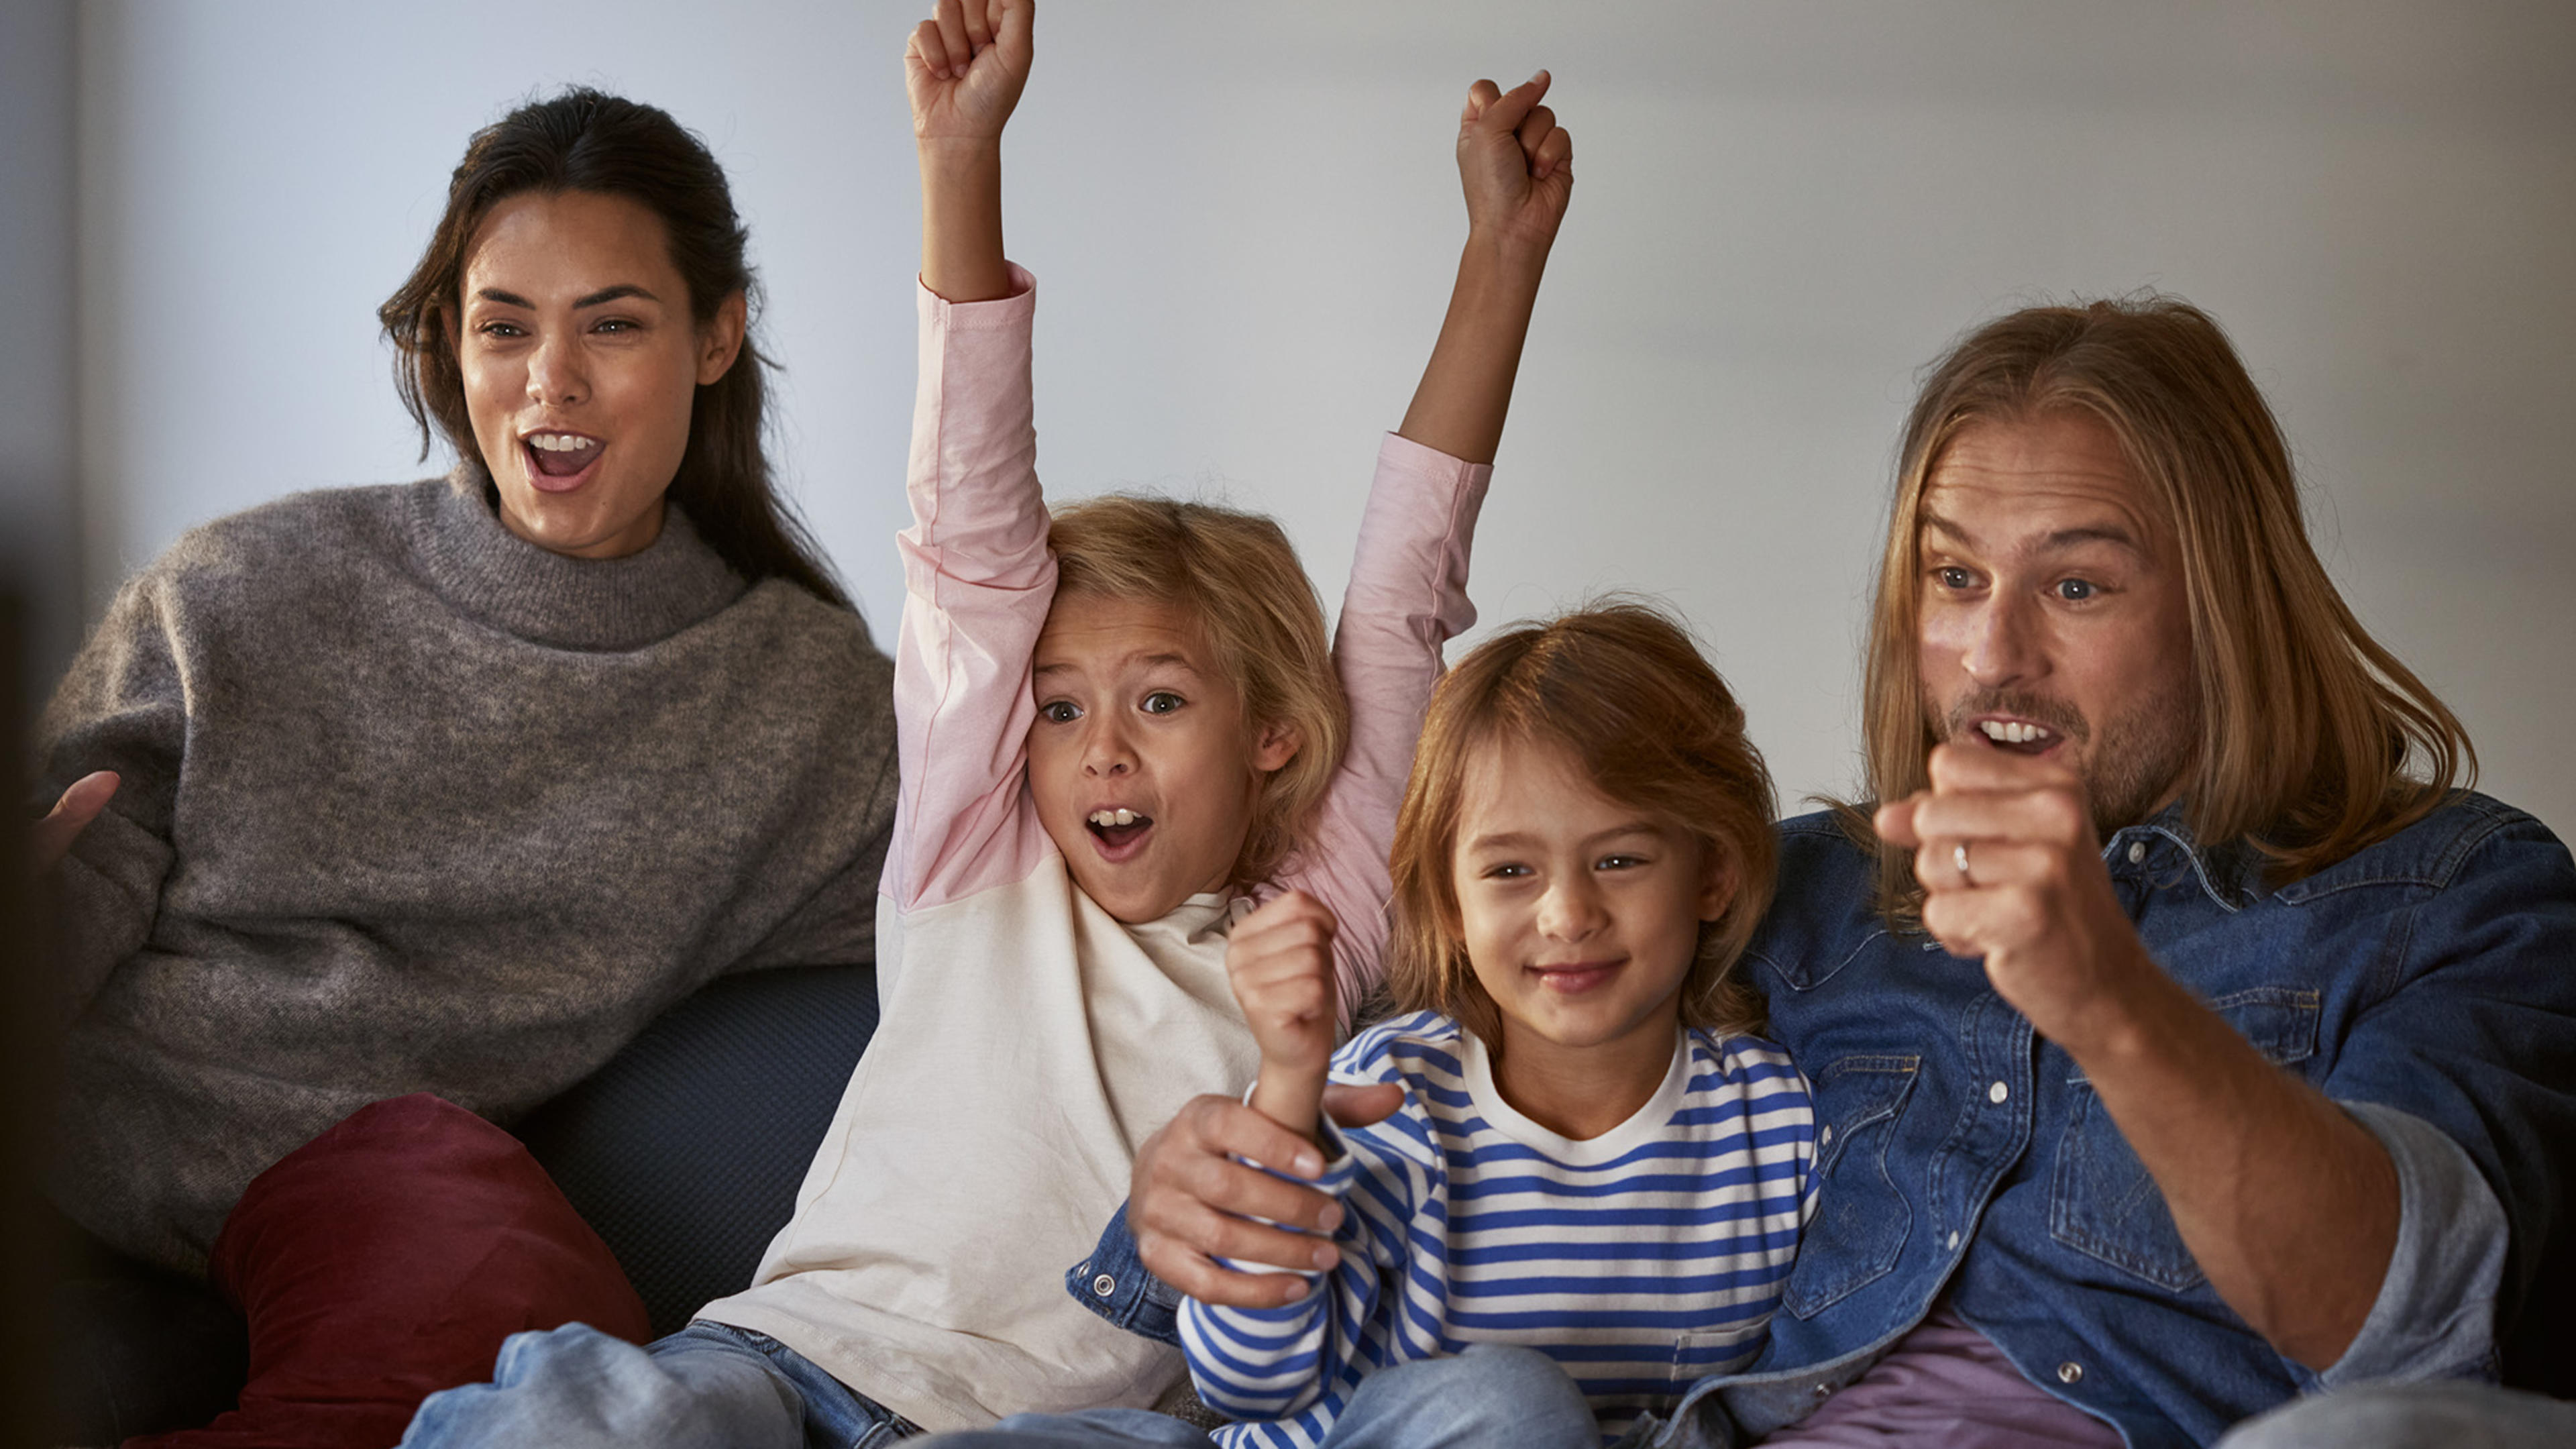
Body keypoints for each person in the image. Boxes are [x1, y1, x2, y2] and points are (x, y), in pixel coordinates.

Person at [396, 0, 1574, 1442]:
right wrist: (962, 160)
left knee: (1503, 1409)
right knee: (591, 1416)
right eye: (1062, 706)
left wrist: (1501, 255)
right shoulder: (979, 850)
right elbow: (971, 536)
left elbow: (1399, 604)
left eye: (1159, 700)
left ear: (1273, 731)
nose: (1102, 750)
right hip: (788, 1377)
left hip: (1062, 1428)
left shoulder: (1311, 929)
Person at [1118, 297, 2576, 1447]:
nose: (1995, 656)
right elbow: (1457, 1024)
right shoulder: (1801, 894)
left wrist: (2109, 997)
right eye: (1953, 579)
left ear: (2227, 605)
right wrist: (1213, 1171)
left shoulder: (2457, 897)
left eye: (2076, 586)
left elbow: (2415, 1336)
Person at [34, 85, 902, 1439]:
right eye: (506, 327)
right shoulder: (240, 592)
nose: (550, 383)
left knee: (466, 1250)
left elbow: (1042, 858)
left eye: (611, 324)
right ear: (449, 342)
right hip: (64, 1200)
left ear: (718, 335)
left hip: (378, 1225)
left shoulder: (806, 708)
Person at [919, 604, 1817, 1449]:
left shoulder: (1777, 1128)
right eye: (1510, 870)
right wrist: (1287, 1085)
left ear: (1712, 877)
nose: (1567, 913)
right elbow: (1246, 1384)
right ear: (1452, 908)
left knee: (1511, 1406)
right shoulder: (1395, 1094)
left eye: (1619, 859)